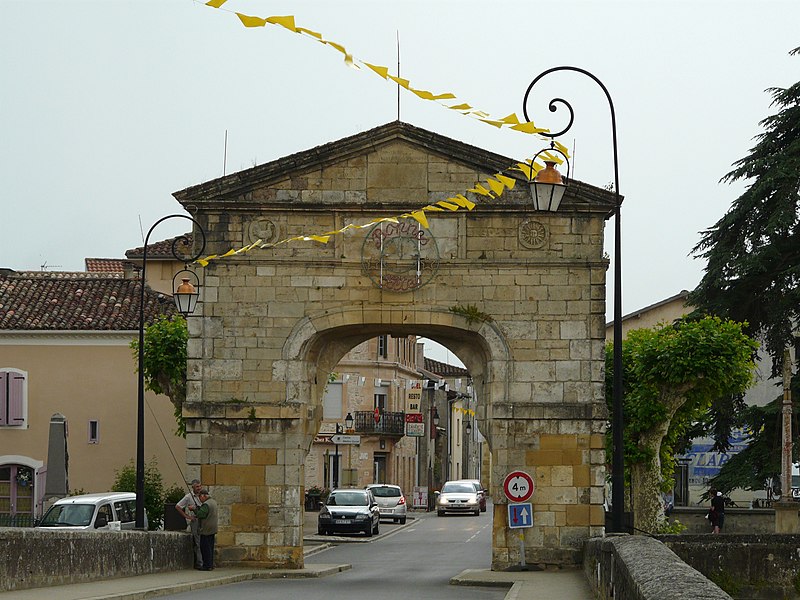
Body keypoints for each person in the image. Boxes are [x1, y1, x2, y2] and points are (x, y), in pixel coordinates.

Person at [175, 479, 203, 569]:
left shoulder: (203, 495)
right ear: (193, 487)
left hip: (204, 521)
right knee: (198, 543)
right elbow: (178, 506)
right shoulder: (188, 497)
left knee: (205, 541)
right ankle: (200, 562)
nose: (199, 488)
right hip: (195, 520)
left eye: (200, 486)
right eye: (197, 487)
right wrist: (187, 516)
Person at [195, 489, 218, 571]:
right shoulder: (213, 502)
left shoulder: (206, 504)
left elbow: (201, 514)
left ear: (203, 496)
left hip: (206, 529)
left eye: (200, 497)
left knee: (205, 548)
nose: (200, 499)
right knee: (210, 547)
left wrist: (195, 509)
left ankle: (207, 565)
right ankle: (210, 564)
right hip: (212, 528)